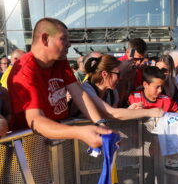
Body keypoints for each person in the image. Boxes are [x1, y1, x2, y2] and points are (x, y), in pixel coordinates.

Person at [8, 18, 115, 148]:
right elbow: (35, 121)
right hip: (31, 144)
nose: (69, 44)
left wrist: (100, 124)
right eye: (63, 38)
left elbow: (79, 93)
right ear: (45, 39)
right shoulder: (24, 70)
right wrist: (80, 132)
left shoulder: (59, 61)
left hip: (59, 134)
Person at [118, 38, 148, 107]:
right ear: (127, 52)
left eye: (141, 59)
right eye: (136, 59)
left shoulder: (141, 67)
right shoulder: (117, 67)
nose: (139, 62)